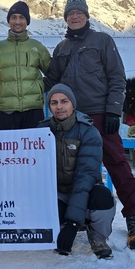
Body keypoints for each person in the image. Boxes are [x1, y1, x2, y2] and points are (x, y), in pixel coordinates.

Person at [44, 0, 135, 251]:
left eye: (79, 12)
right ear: (66, 18)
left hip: (102, 115)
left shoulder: (102, 41)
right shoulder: (61, 48)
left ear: (87, 16)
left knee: (118, 166)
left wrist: (114, 110)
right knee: (72, 169)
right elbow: (51, 82)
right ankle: (73, 217)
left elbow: (116, 77)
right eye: (70, 13)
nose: (75, 16)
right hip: (71, 117)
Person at [39, 84, 116, 259]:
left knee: (103, 197)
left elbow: (84, 178)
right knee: (45, 209)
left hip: (85, 190)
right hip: (57, 193)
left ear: (73, 103)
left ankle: (98, 238)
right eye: (54, 102)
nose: (59, 107)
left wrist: (73, 223)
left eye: (64, 101)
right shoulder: (41, 131)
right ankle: (58, 229)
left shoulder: (88, 132)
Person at [0, 1, 52, 130]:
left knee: (34, 148)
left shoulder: (37, 47)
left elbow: (52, 73)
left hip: (33, 110)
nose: (17, 21)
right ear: (9, 21)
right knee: (7, 148)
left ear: (27, 21)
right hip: (6, 111)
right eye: (14, 17)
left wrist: (39, 87)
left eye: (21, 17)